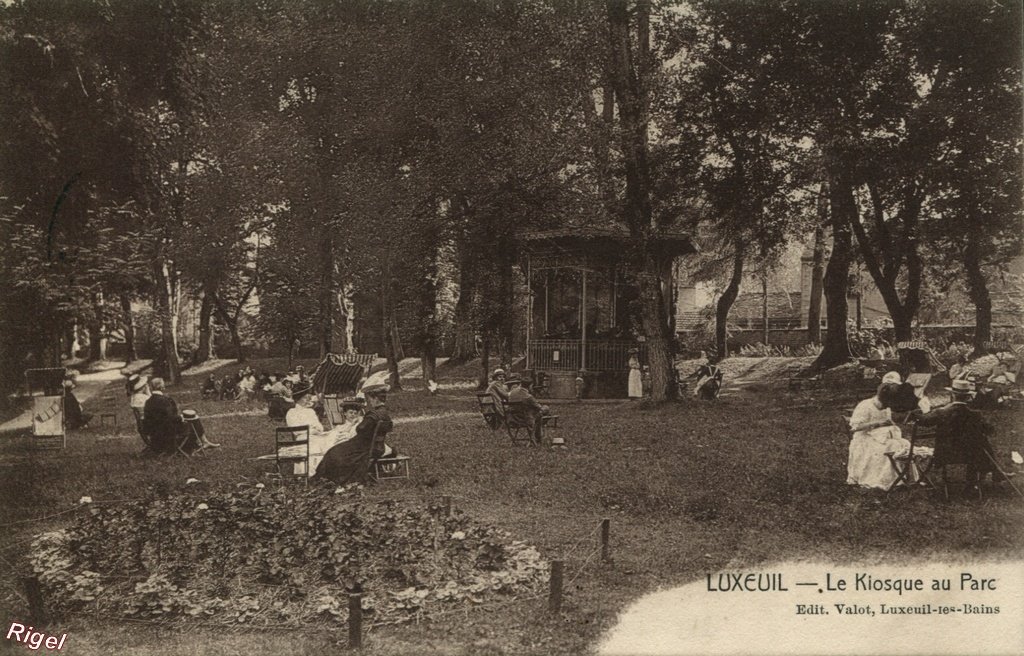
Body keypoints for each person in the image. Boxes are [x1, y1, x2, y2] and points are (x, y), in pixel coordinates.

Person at [912, 379, 1012, 493]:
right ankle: (977, 482)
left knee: (980, 441)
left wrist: (920, 411)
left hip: (945, 453)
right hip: (970, 454)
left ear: (953, 395)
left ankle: (993, 474)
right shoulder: (974, 414)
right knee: (980, 442)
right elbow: (990, 430)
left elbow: (924, 421)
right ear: (968, 397)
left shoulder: (941, 412)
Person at [316, 383, 393, 485]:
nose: (370, 401)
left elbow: (360, 429)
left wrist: (358, 426)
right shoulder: (384, 413)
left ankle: (331, 478)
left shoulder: (373, 414)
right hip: (376, 445)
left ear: (375, 399)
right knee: (336, 450)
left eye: (370, 398)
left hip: (366, 447)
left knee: (334, 452)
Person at [847, 382, 915, 490]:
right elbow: (855, 427)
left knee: (905, 444)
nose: (885, 407)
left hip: (880, 436)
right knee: (891, 447)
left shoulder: (886, 407)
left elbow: (887, 421)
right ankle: (885, 480)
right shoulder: (865, 405)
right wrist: (877, 423)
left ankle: (903, 478)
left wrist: (890, 425)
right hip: (864, 439)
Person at [506, 375, 547, 444]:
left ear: (521, 384)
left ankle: (538, 436)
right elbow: (538, 407)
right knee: (543, 410)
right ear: (530, 386)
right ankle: (538, 437)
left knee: (537, 412)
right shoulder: (528, 397)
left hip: (512, 418)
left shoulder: (512, 392)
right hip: (525, 419)